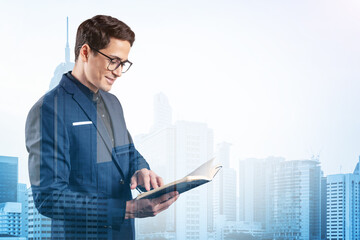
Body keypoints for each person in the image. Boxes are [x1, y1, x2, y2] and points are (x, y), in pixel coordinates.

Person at [25, 15, 179, 239]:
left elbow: (127, 152)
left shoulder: (113, 103)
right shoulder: (49, 110)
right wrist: (127, 209)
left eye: (123, 64)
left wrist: (140, 170)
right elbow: (49, 198)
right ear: (85, 52)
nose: (118, 71)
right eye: (113, 60)